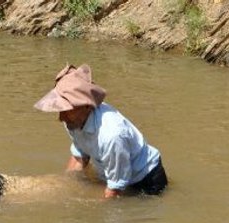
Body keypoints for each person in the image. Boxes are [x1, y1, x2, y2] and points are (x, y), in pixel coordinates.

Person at [34, 64, 167, 198]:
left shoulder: (112, 135)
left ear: (86, 106)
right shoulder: (73, 121)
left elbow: (115, 189)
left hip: (146, 180)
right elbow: (80, 155)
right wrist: (65, 188)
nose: (61, 118)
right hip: (114, 170)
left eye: (66, 110)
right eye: (60, 110)